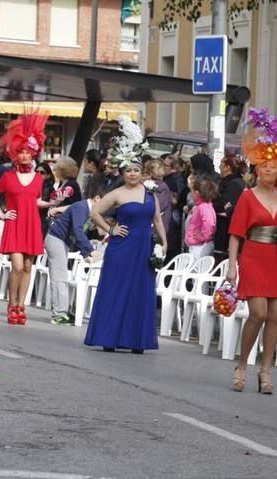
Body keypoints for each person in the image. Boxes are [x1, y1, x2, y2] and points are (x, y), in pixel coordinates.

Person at [226, 106, 277, 394]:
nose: (269, 171)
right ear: (257, 170)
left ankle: (266, 370)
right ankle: (242, 364)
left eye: (273, 168)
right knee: (257, 312)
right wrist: (232, 266)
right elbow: (235, 235)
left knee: (275, 315)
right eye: (264, 167)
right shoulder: (247, 197)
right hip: (254, 255)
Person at [84, 116, 166, 353]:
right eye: (128, 170)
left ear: (142, 172)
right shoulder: (117, 193)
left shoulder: (150, 191)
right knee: (117, 289)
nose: (132, 174)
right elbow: (95, 212)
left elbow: (157, 219)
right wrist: (110, 230)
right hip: (122, 247)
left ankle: (137, 340)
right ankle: (109, 337)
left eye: (136, 170)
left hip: (144, 248)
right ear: (122, 172)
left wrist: (164, 241)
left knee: (141, 291)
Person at [0, 112, 49, 325]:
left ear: (33, 154)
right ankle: (11, 302)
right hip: (14, 224)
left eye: (27, 152)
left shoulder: (39, 179)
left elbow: (36, 201)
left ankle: (21, 305)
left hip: (32, 225)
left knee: (27, 266)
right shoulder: (8, 177)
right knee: (16, 265)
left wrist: (53, 204)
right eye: (21, 152)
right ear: (15, 153)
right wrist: (2, 214)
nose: (24, 155)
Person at [45, 191, 103, 325]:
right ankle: (59, 314)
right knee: (59, 278)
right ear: (97, 197)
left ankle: (62, 312)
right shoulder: (82, 208)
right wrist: (89, 251)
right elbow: (78, 230)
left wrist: (85, 254)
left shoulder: (86, 209)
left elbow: (77, 231)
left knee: (61, 277)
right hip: (56, 239)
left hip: (60, 241)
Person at [213, 154, 245, 259]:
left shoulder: (234, 184)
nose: (219, 167)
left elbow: (224, 206)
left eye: (221, 163)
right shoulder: (225, 182)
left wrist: (210, 205)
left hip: (225, 230)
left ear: (227, 167)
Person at [184, 175, 217, 259]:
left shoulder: (203, 207)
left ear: (197, 192)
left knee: (195, 270)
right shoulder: (203, 206)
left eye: (192, 191)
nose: (191, 194)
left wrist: (203, 236)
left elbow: (209, 222)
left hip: (199, 247)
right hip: (198, 245)